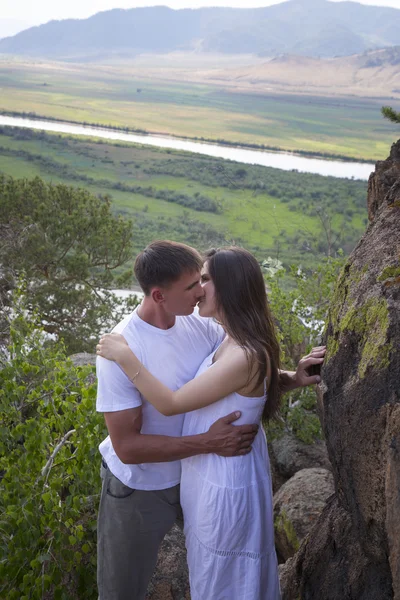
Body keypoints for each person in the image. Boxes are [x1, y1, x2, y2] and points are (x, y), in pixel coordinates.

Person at [97, 244, 325, 600]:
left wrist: (290, 378)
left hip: (207, 475)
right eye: (193, 284)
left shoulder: (198, 323)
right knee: (124, 590)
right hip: (144, 486)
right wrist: (207, 442)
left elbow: (236, 374)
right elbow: (127, 447)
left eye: (203, 280)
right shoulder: (123, 344)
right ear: (159, 295)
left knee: (224, 573)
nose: (200, 290)